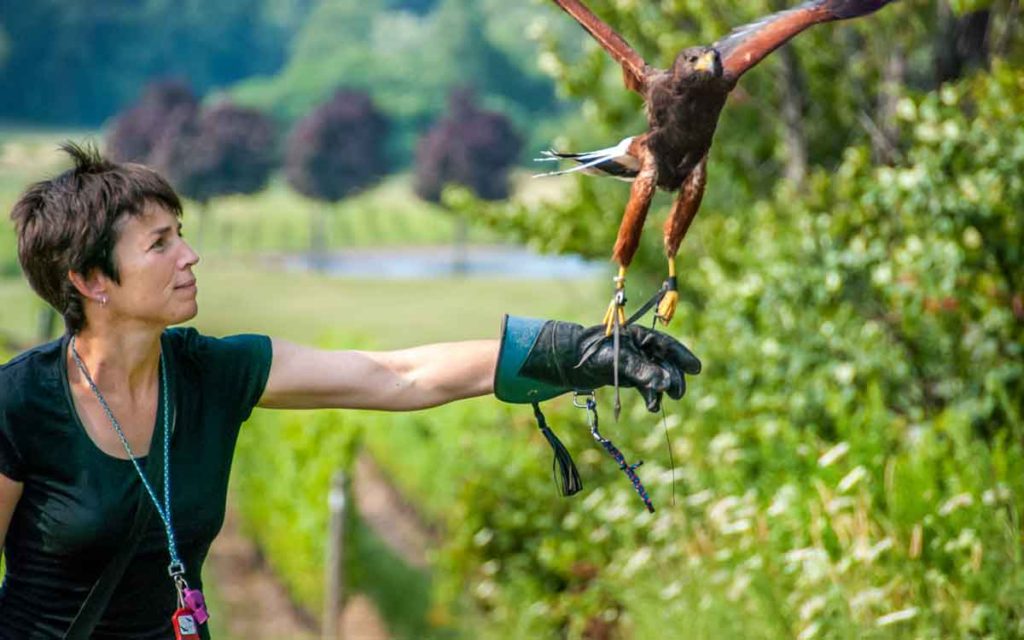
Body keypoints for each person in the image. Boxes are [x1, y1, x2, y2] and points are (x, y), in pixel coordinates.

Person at [0, 143, 700, 639]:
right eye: (159, 245)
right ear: (91, 281)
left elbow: (395, 375)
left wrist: (574, 352)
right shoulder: (20, 406)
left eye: (181, 234)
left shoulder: (210, 372)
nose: (190, 256)